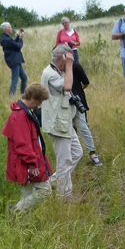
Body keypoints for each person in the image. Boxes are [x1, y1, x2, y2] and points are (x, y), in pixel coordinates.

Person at [2, 83, 52, 212]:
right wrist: (33, 163)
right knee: (45, 190)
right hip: (27, 162)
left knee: (27, 193)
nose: (39, 105)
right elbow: (22, 143)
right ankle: (15, 211)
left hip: (26, 161)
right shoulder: (21, 115)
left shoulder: (24, 112)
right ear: (33, 98)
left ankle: (21, 221)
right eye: (39, 101)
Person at [41, 44, 82, 199]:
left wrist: (68, 65)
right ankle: (63, 197)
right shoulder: (50, 73)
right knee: (64, 162)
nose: (69, 64)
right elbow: (67, 86)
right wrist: (69, 65)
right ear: (60, 59)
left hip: (64, 123)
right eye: (67, 60)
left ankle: (52, 183)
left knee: (77, 153)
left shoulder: (58, 71)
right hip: (58, 125)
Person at [71, 59, 102, 166]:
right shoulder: (56, 69)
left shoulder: (75, 65)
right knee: (70, 128)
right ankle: (73, 153)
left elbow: (86, 82)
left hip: (77, 101)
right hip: (64, 102)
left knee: (83, 126)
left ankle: (92, 153)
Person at [0, 22, 28, 96]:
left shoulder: (6, 37)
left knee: (24, 78)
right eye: (10, 27)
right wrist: (20, 39)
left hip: (16, 60)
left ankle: (23, 95)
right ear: (6, 29)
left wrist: (18, 36)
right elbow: (18, 46)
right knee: (15, 80)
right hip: (14, 60)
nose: (11, 28)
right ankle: (11, 96)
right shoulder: (6, 39)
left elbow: (13, 43)